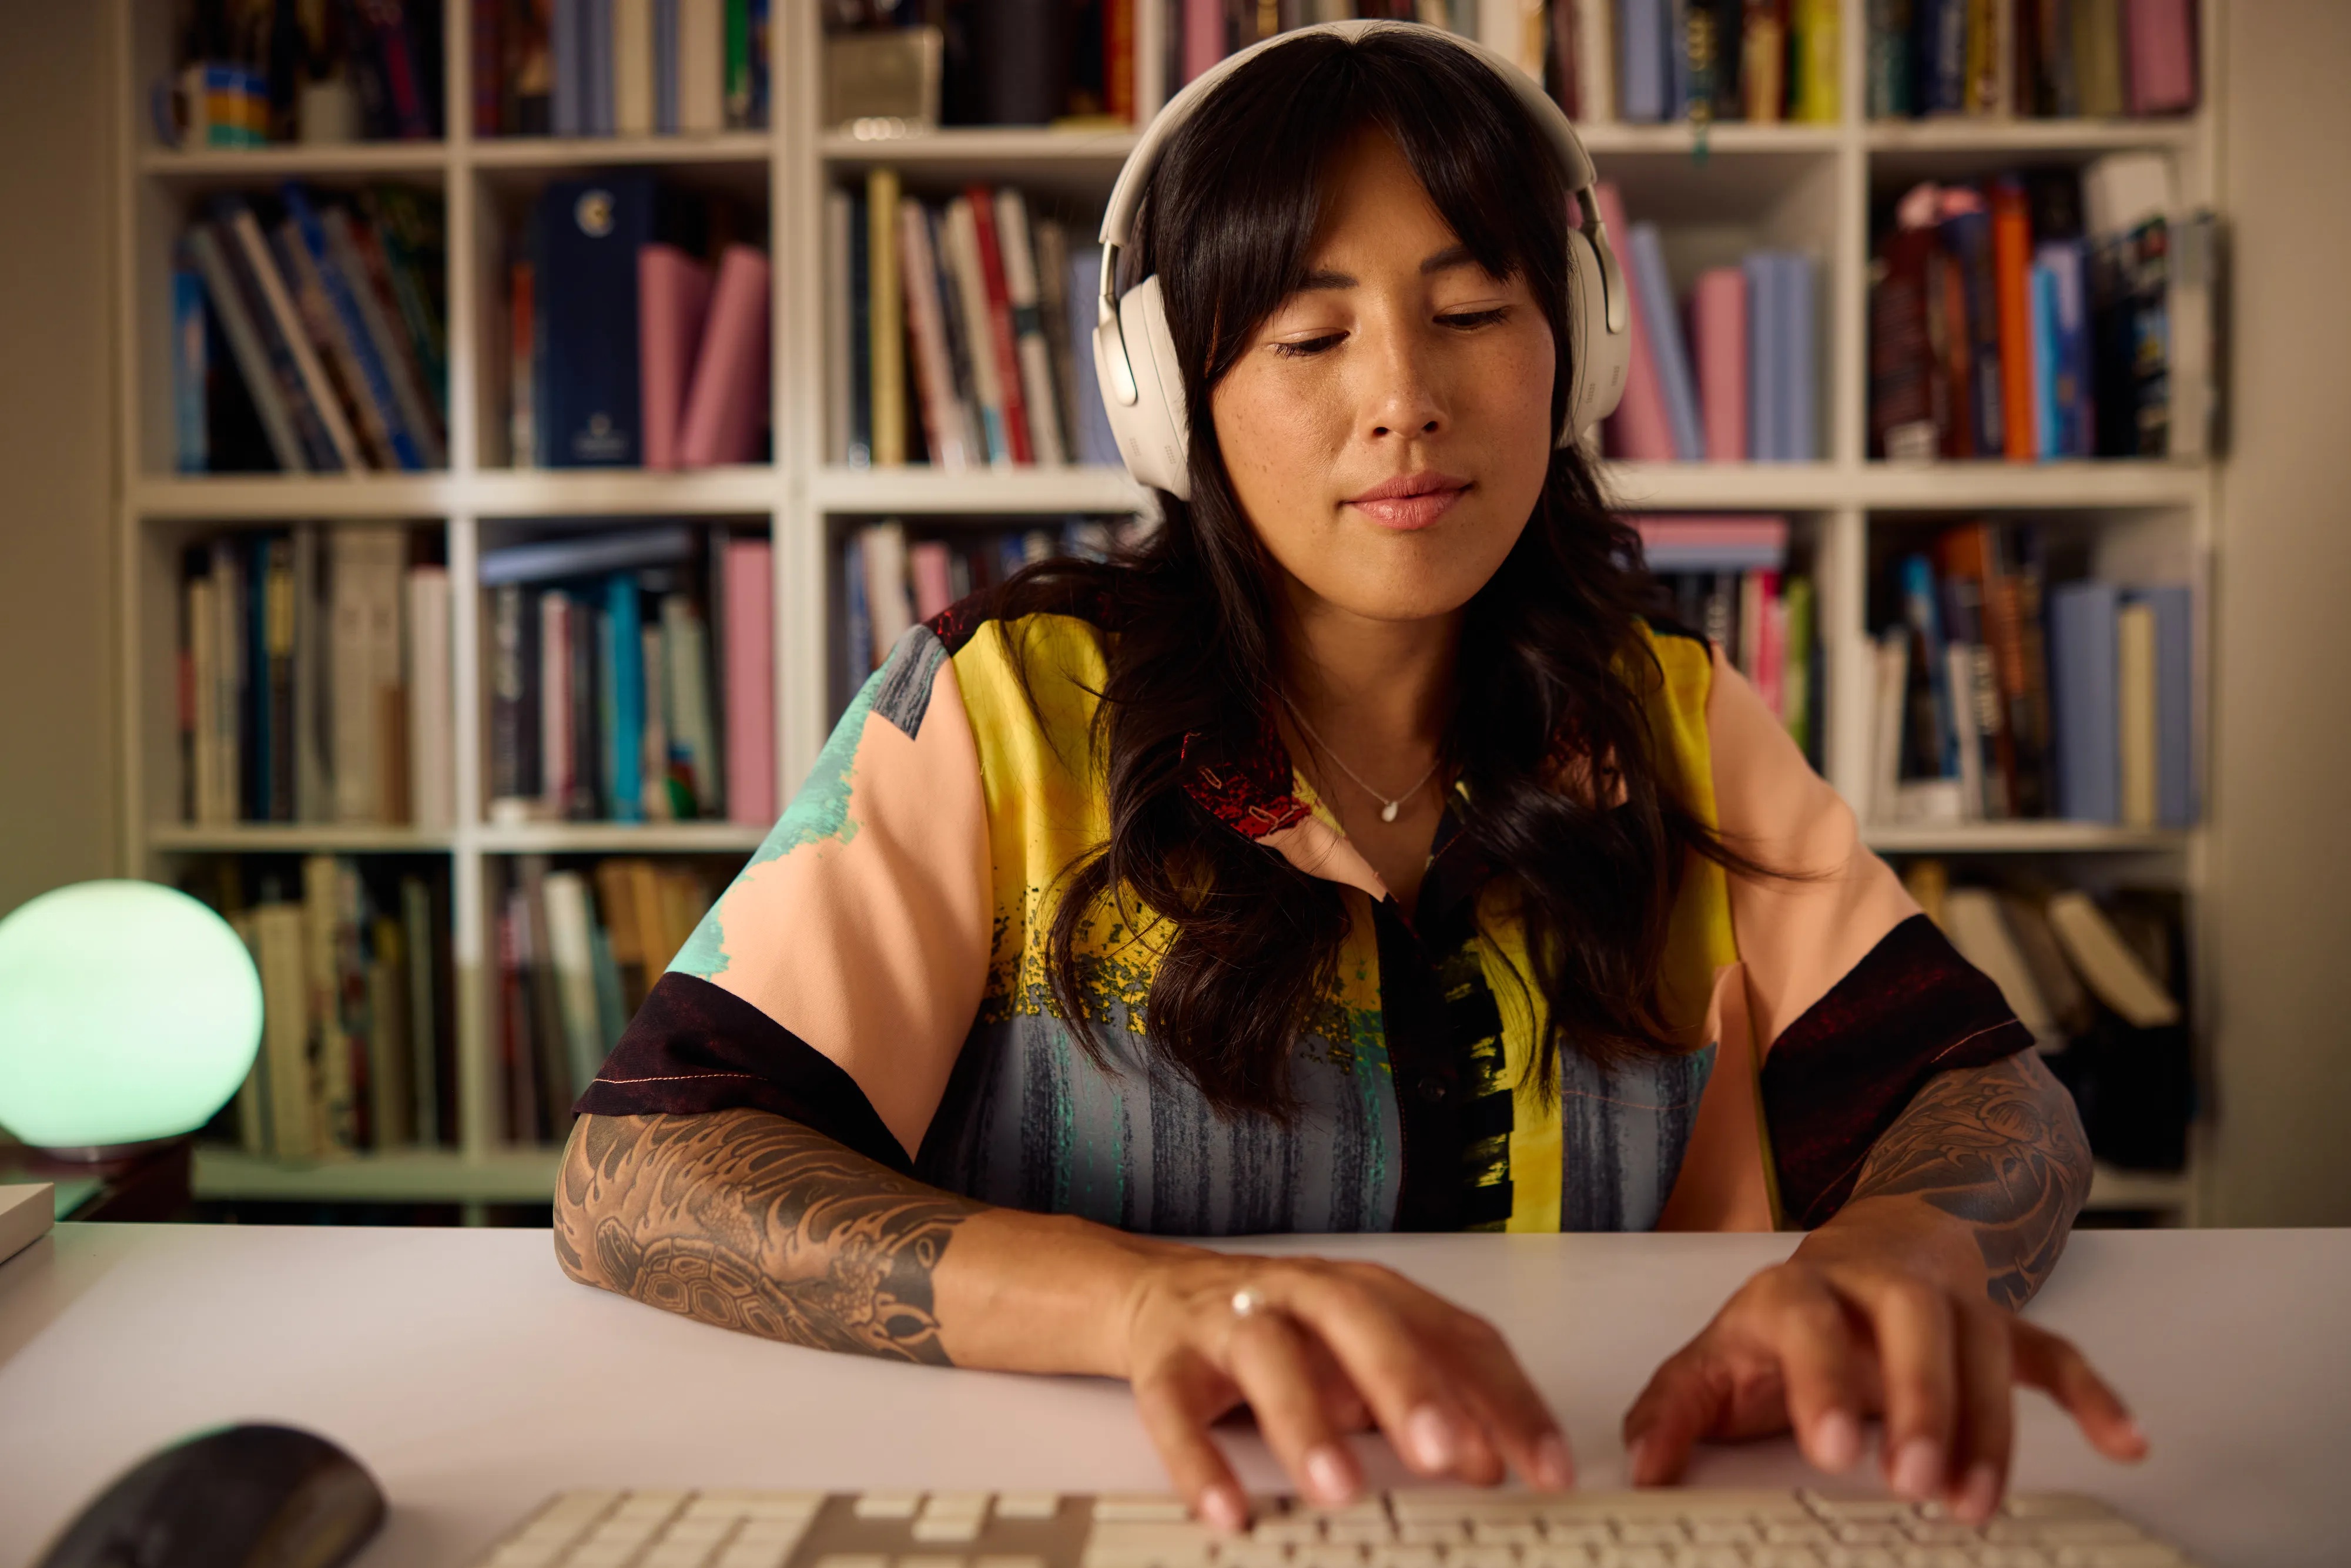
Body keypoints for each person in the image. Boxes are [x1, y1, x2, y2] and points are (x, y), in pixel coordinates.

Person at [554, 22, 2146, 1531]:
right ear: (1171, 396)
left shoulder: (1665, 713)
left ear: (1575, 344)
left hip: (1604, 1496)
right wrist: (1140, 1296)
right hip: (1127, 1504)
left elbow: (1989, 1094)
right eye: (1311, 334)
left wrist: (1900, 1250)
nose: (1406, 398)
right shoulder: (998, 712)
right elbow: (642, 1172)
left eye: (1468, 313)